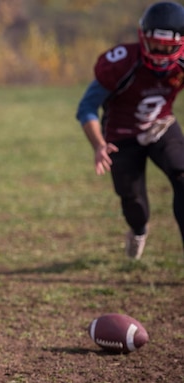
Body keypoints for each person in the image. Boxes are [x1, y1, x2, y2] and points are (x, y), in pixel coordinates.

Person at [76, 1, 184, 260]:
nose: (159, 52)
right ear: (142, 37)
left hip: (161, 126)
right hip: (121, 135)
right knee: (134, 203)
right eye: (155, 43)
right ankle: (138, 230)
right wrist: (99, 145)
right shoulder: (122, 62)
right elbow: (87, 107)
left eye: (167, 47)